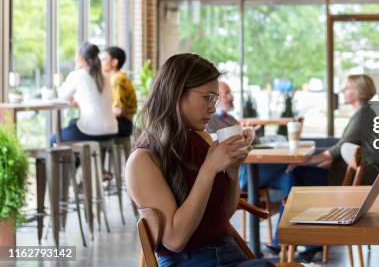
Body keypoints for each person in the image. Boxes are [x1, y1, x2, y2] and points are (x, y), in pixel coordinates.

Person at [125, 54, 273, 267]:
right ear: (177, 92)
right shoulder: (143, 160)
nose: (213, 108)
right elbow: (175, 240)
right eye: (208, 97)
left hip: (231, 252)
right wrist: (209, 169)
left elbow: (223, 215)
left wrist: (233, 168)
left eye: (215, 99)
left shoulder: (201, 138)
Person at [284, 74, 378, 261]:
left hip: (346, 182)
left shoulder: (363, 114)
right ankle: (295, 239)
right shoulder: (366, 112)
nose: (343, 91)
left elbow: (339, 149)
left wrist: (308, 160)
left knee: (294, 173)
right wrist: (317, 161)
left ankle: (293, 238)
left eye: (347, 88)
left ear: (358, 91)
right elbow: (343, 148)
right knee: (297, 176)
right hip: (350, 176)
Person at [205, 82, 289, 197]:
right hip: (241, 173)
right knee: (288, 163)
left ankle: (281, 213)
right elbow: (215, 143)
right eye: (226, 94)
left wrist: (250, 133)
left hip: (251, 168)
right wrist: (243, 134)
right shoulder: (209, 121)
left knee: (289, 176)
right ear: (216, 98)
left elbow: (254, 143)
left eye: (231, 93)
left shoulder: (230, 118)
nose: (231, 97)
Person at [51, 42, 117, 144]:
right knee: (73, 123)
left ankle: (77, 159)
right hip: (112, 130)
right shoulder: (106, 76)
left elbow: (62, 97)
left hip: (92, 131)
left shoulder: (77, 75)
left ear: (81, 59)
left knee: (53, 139)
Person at [101, 46, 137, 137]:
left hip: (122, 124)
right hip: (121, 123)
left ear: (114, 62)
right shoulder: (116, 78)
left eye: (104, 59)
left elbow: (118, 111)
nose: (100, 62)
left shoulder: (118, 80)